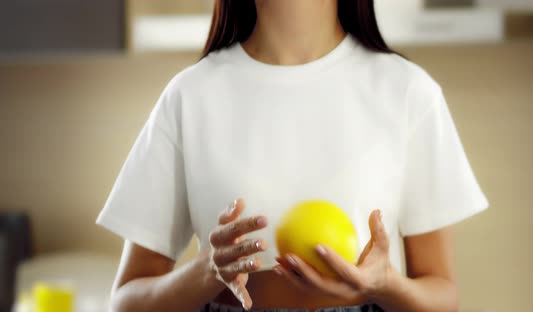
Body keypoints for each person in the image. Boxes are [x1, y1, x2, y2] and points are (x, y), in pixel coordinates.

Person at [96, 0, 489, 311]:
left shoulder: (408, 92)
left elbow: (443, 298)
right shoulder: (189, 95)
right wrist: (207, 271)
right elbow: (127, 301)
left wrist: (387, 284)